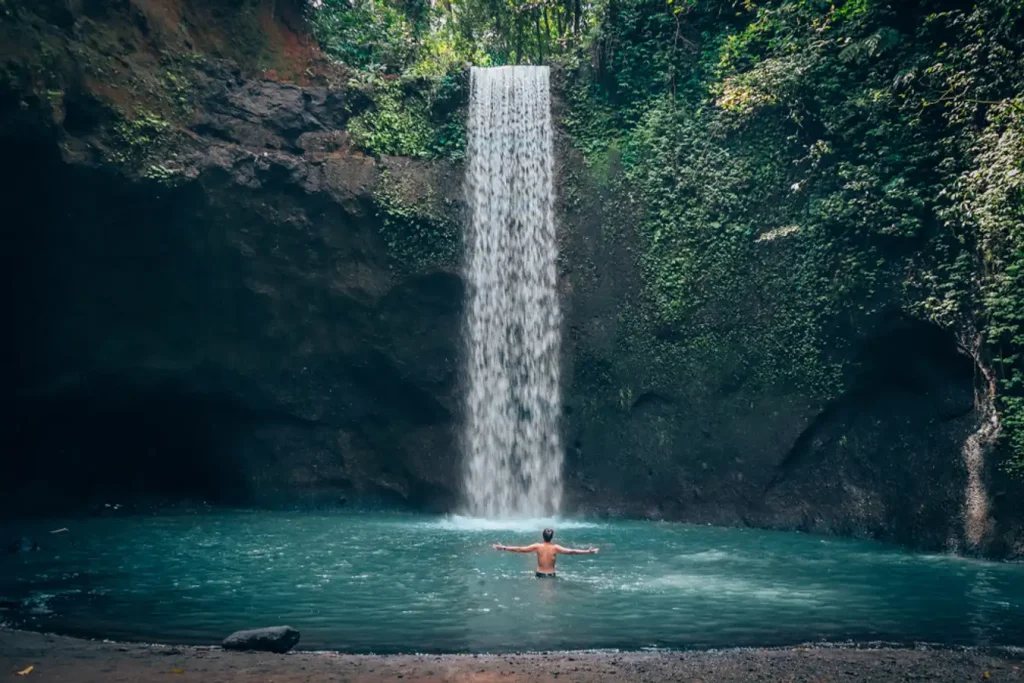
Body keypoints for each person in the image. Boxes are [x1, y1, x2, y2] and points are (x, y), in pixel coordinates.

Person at [492, 528, 598, 578]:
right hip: (551, 575)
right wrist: (588, 551)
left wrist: (504, 547)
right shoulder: (555, 548)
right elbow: (572, 551)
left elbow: (520, 549)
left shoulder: (538, 547)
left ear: (543, 536)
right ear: (552, 537)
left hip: (539, 575)